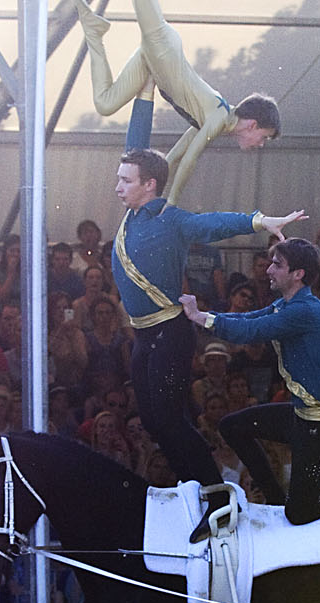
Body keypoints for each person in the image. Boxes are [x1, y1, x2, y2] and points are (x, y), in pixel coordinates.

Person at [114, 148, 305, 531]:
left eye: (125, 180)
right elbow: (138, 129)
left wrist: (260, 221)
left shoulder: (171, 219)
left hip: (169, 332)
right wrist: (147, 92)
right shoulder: (131, 215)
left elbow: (213, 224)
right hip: (143, 335)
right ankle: (198, 491)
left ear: (149, 185)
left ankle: (217, 497)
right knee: (154, 422)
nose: (117, 186)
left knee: (169, 419)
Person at [74, 0, 280, 204]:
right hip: (162, 48)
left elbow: (171, 161)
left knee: (105, 102)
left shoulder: (214, 120)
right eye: (263, 138)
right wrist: (168, 206)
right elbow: (189, 163)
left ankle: (95, 34)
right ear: (253, 125)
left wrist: (151, 193)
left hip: (154, 61)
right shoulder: (216, 118)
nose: (259, 146)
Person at [182, 238, 320, 532]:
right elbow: (249, 317)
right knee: (232, 426)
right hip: (302, 415)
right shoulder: (287, 304)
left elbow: (251, 331)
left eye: (277, 265)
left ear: (298, 274)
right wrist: (205, 316)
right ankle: (275, 497)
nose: (269, 270)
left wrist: (200, 318)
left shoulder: (304, 311)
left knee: (301, 512)